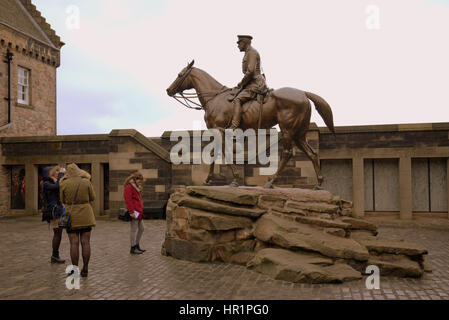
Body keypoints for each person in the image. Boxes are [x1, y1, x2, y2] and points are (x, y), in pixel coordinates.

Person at [60, 163, 96, 277]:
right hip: (86, 214)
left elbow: (63, 199)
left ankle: (75, 269)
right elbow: (93, 197)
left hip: (72, 215)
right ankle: (85, 268)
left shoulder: (64, 183)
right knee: (86, 242)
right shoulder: (86, 182)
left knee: (73, 243)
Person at [228, 35, 268, 129]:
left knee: (237, 99)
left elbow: (250, 72)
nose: (238, 45)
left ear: (244, 43)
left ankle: (234, 127)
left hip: (256, 84)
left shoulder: (252, 53)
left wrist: (241, 84)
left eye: (239, 43)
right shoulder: (248, 53)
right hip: (251, 83)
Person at [42, 165, 66, 264]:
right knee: (57, 234)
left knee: (58, 234)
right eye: (56, 171)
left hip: (58, 210)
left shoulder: (53, 182)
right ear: (50, 173)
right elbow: (58, 186)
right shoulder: (46, 184)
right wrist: (61, 174)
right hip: (54, 211)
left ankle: (55, 255)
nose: (58, 173)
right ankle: (54, 256)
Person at [124, 172, 145, 254]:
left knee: (142, 228)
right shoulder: (129, 187)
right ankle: (133, 248)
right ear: (135, 180)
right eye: (139, 181)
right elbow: (128, 200)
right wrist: (131, 211)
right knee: (134, 229)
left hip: (139, 211)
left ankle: (136, 245)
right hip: (134, 211)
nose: (140, 183)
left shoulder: (136, 187)